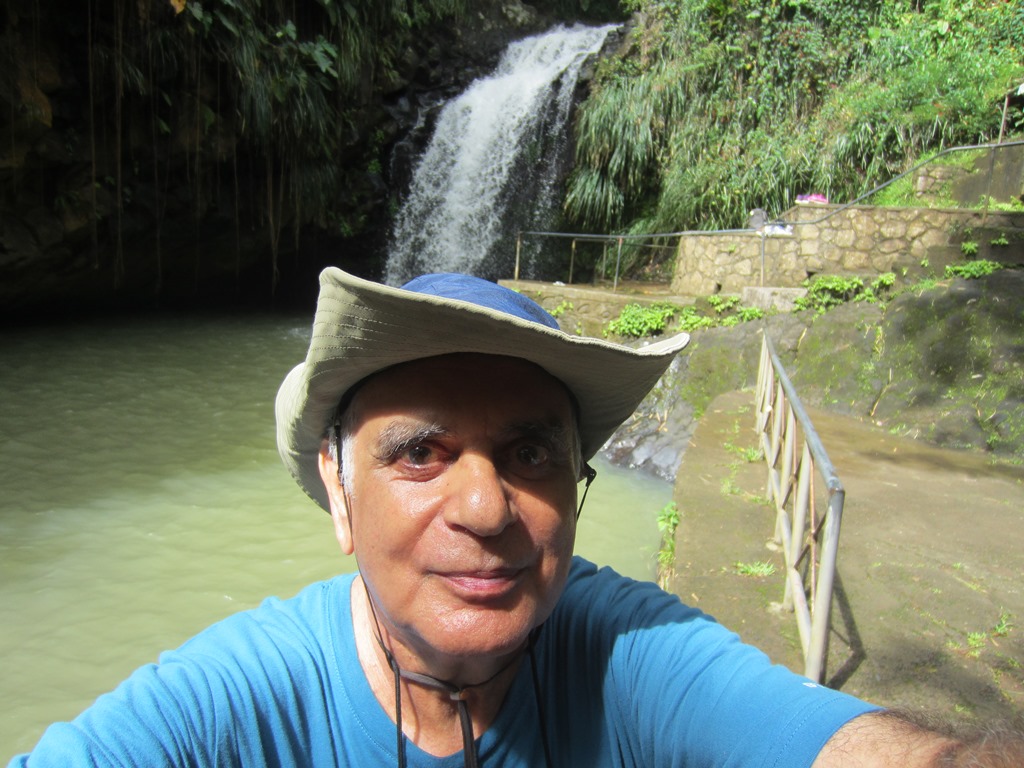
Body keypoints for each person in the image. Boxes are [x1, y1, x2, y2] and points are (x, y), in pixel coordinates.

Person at [9, 268, 1022, 767]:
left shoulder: (624, 653)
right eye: (419, 453)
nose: (489, 507)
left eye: (531, 453)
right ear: (337, 487)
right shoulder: (244, 698)